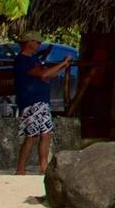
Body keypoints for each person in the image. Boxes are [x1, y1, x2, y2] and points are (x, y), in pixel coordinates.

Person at [12, 32, 72, 175]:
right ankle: (21, 168)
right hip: (31, 101)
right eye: (37, 42)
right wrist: (62, 63)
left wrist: (63, 66)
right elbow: (43, 74)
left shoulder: (33, 59)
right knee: (31, 136)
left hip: (41, 101)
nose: (39, 45)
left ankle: (43, 168)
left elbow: (47, 75)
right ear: (29, 42)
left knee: (46, 134)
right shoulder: (22, 60)